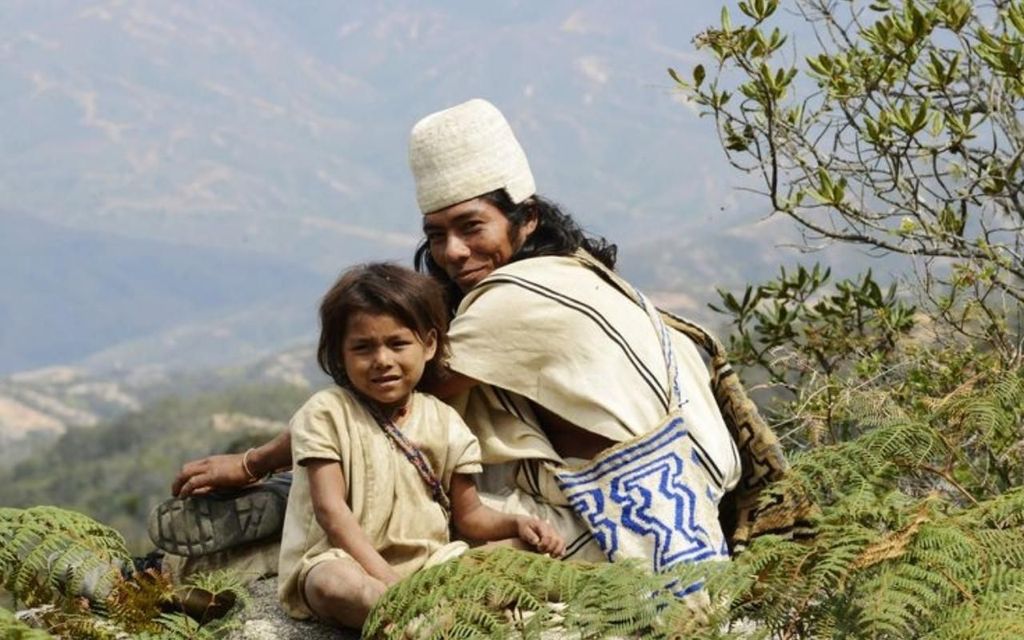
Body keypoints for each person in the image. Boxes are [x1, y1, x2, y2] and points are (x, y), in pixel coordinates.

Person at [156, 98, 805, 572]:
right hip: (680, 500)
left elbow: (391, 397)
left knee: (395, 462)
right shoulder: (579, 271)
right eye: (436, 235)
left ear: (523, 217)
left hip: (623, 526)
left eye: (471, 227)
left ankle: (297, 501)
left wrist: (253, 462)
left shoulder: (512, 301)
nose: (454, 252)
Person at [277, 262, 563, 630]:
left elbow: (470, 517)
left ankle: (418, 622)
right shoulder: (327, 412)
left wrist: (520, 523)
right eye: (363, 348)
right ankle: (429, 622)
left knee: (530, 555)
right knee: (334, 585)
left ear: (428, 345)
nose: (382, 361)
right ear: (340, 353)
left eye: (398, 344)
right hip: (345, 560)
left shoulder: (444, 421)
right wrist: (387, 582)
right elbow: (332, 512)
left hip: (432, 566)